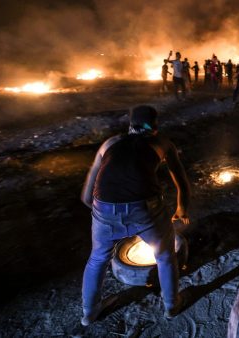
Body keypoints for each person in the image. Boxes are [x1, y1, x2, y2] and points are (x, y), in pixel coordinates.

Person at [80, 105, 191, 325]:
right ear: (155, 126)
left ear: (130, 125)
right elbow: (182, 184)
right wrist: (182, 209)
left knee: (97, 259)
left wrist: (105, 215)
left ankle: (88, 313)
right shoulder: (162, 143)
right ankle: (171, 305)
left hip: (103, 207)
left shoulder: (109, 144)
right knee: (165, 256)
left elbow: (86, 195)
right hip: (145, 209)